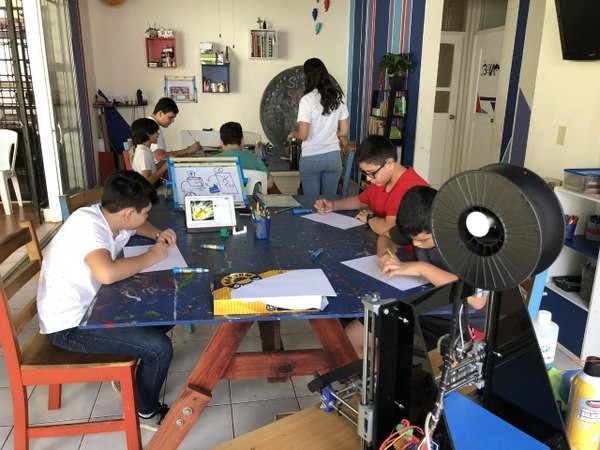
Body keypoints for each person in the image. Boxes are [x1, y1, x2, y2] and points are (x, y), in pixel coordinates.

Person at [37, 170, 177, 425]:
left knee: (168, 312)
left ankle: (136, 371)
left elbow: (137, 224)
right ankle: (146, 410)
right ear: (128, 213)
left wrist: (157, 234)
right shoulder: (89, 227)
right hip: (70, 326)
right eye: (146, 212)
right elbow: (107, 273)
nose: (147, 217)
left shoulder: (110, 216)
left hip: (95, 307)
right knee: (159, 348)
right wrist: (153, 256)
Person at [344, 185, 488, 356]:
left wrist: (422, 268)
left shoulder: (469, 240)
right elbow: (386, 237)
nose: (416, 244)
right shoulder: (417, 226)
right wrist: (385, 254)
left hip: (459, 320)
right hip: (421, 305)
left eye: (423, 240)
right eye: (411, 239)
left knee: (424, 363)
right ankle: (379, 373)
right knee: (351, 338)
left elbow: (478, 300)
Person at [314, 135, 428, 235]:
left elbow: (389, 230)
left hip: (402, 251)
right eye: (365, 173)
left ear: (389, 164)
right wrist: (333, 205)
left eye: (371, 173)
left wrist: (370, 218)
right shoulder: (382, 179)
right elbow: (362, 201)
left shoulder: (411, 189)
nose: (368, 179)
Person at [287, 58, 351, 196]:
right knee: (329, 203)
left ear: (307, 76)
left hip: (311, 158)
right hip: (333, 157)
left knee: (312, 203)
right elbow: (344, 131)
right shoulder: (339, 97)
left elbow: (303, 135)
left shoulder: (306, 100)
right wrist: (330, 133)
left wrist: (293, 133)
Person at [217, 121, 281, 194]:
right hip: (253, 201)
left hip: (224, 201)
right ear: (242, 141)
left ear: (221, 142)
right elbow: (270, 184)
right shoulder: (253, 158)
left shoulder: (211, 161)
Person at [149, 97, 201, 162]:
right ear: (160, 113)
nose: (173, 121)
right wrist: (188, 150)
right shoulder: (152, 127)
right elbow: (159, 156)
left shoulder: (151, 124)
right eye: (170, 117)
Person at [130, 117, 168, 188]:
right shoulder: (143, 153)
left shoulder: (144, 149)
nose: (158, 135)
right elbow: (147, 181)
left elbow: (151, 169)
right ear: (148, 134)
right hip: (153, 190)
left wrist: (163, 162)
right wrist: (165, 166)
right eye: (156, 132)